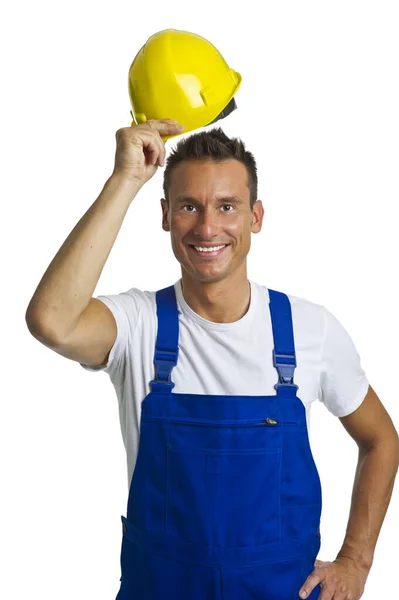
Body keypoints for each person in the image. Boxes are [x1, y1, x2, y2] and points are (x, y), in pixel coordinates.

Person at [25, 119, 399, 599]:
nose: (207, 227)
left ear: (254, 217)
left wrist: (355, 561)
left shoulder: (310, 330)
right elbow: (51, 320)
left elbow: (381, 440)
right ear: (165, 215)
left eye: (227, 206)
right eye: (188, 206)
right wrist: (125, 180)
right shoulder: (138, 325)